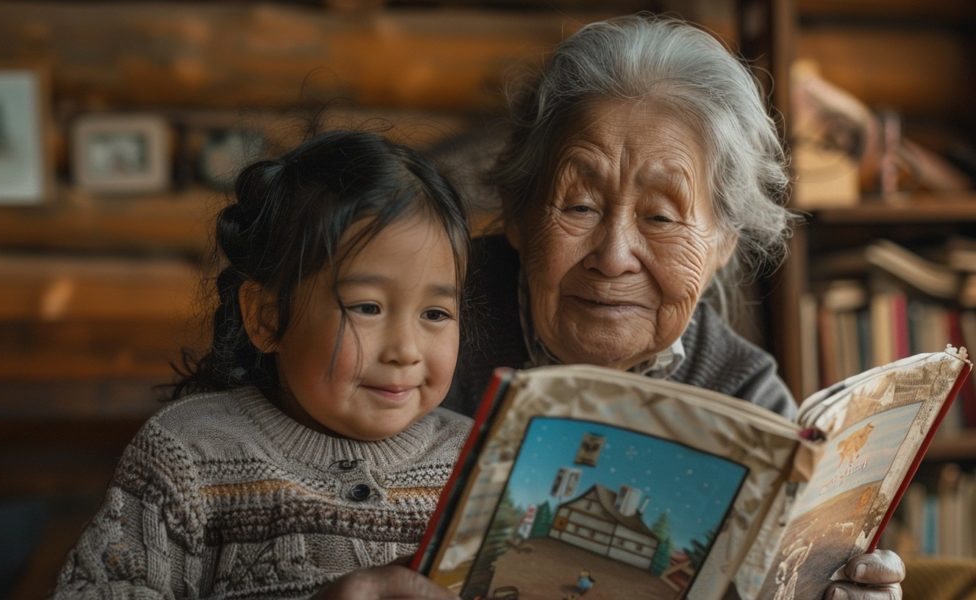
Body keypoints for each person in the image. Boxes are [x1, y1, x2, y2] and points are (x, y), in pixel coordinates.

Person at [320, 13, 906, 600]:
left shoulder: (746, 396)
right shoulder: (417, 327)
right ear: (520, 214)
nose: (614, 256)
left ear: (725, 243)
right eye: (578, 207)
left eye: (660, 217)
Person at [51, 130, 474, 598]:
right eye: (366, 307)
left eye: (435, 314)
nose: (406, 350)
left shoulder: (474, 461)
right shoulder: (190, 456)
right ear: (267, 317)